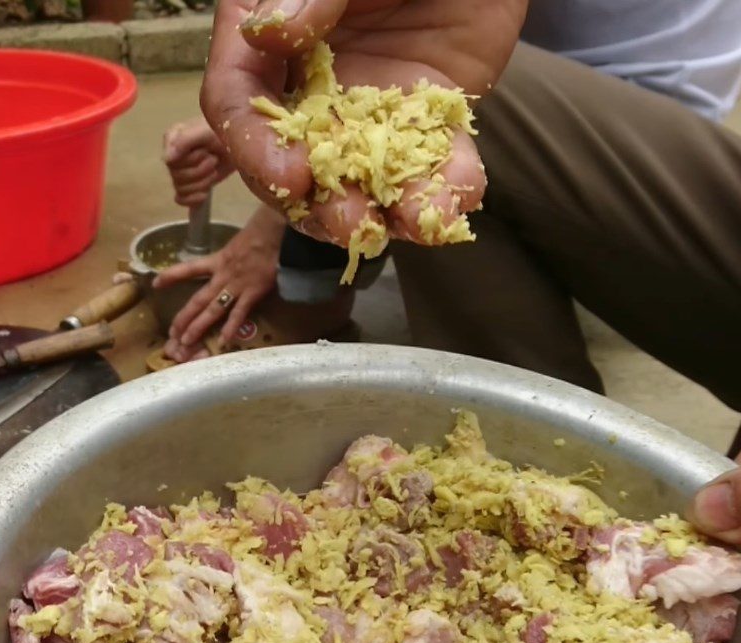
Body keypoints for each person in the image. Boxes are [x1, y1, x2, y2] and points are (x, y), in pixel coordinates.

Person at [160, 0, 741, 458]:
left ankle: (523, 452)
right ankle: (518, 431)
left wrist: (272, 219)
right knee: (418, 114)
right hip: (541, 72)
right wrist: (289, 91)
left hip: (651, 102)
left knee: (433, 113)